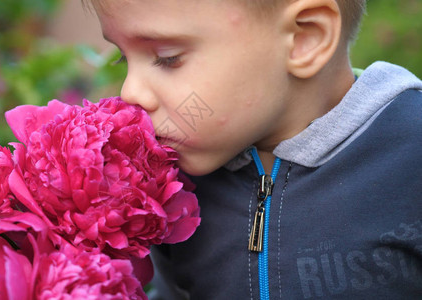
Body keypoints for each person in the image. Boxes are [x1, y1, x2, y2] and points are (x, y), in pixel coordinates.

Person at [87, 0, 422, 298]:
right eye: (122, 58)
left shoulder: (410, 157)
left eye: (167, 58)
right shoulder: (173, 186)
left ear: (305, 38)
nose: (130, 92)